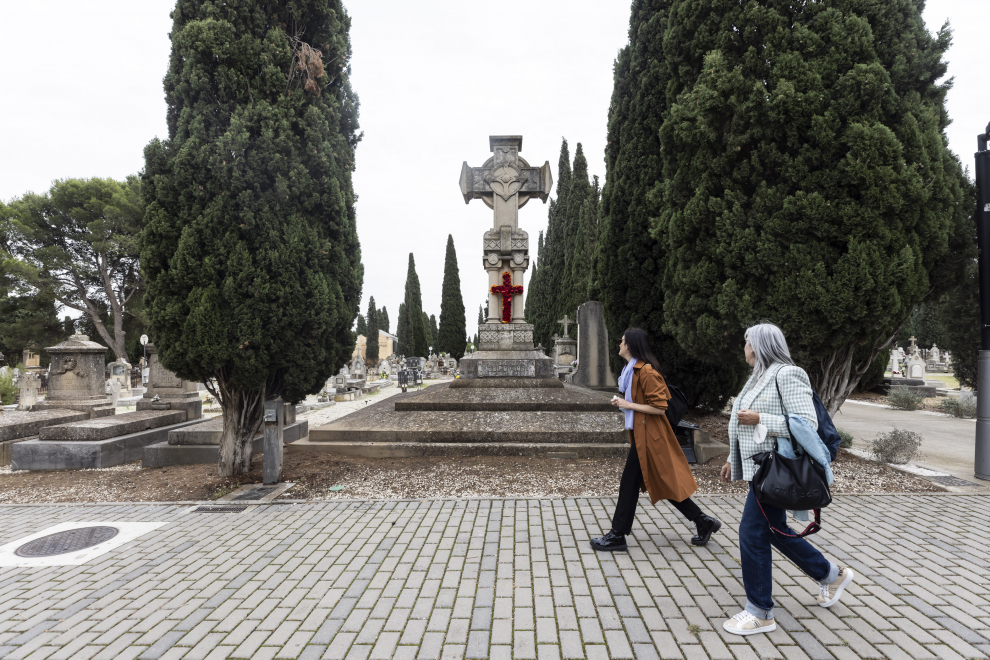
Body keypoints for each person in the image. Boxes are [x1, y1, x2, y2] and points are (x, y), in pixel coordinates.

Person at [719, 322, 854, 635]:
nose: (744, 347)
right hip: (762, 469)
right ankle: (830, 575)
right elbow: (740, 425)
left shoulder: (788, 373)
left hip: (776, 469)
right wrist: (731, 458)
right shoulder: (758, 377)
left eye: (747, 342)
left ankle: (761, 612)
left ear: (760, 345)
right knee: (773, 530)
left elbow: (804, 423)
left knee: (752, 533)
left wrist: (761, 419)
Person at [591, 328, 722, 551]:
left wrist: (627, 405)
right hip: (642, 435)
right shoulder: (630, 370)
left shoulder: (647, 372)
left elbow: (660, 408)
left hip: (651, 437)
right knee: (661, 483)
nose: (619, 345)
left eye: (622, 341)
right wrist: (624, 403)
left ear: (630, 345)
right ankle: (703, 521)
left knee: (629, 483)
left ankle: (617, 535)